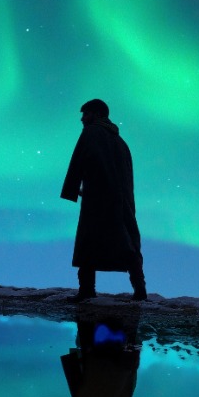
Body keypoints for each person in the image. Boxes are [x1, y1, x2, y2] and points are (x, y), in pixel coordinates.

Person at [60, 98, 146, 301]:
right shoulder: (120, 142)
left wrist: (74, 189)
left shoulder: (91, 132)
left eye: (86, 114)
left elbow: (80, 159)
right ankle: (140, 291)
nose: (82, 118)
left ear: (97, 114)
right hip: (121, 203)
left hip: (98, 201)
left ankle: (86, 290)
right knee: (127, 243)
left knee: (88, 242)